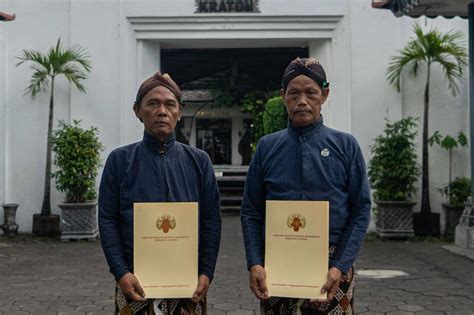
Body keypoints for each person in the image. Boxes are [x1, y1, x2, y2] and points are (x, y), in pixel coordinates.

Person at [240, 57, 371, 314]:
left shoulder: (345, 145)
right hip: (277, 264)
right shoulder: (267, 147)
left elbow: (361, 209)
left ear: (324, 95)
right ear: (283, 96)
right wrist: (255, 262)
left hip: (333, 265)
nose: (302, 101)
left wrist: (340, 265)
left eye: (311, 93)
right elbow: (251, 211)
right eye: (294, 93)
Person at [99, 72, 221, 314]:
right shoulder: (120, 161)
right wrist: (121, 272)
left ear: (180, 111)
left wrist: (206, 271)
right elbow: (108, 220)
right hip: (134, 283)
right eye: (152, 103)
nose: (161, 111)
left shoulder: (199, 161)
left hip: (188, 283)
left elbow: (211, 221)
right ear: (137, 110)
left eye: (169, 104)